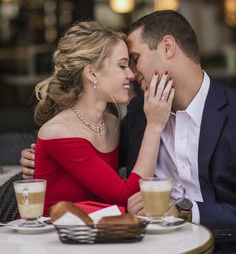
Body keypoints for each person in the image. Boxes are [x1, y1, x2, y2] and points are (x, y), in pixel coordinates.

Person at [20, 11, 236, 251]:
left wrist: (186, 210)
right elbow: (95, 161)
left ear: (167, 47)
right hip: (141, 245)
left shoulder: (232, 113)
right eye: (125, 64)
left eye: (134, 58)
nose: (132, 73)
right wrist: (39, 158)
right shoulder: (139, 113)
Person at [25, 20, 173, 216]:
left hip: (97, 236)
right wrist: (154, 126)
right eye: (122, 66)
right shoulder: (59, 131)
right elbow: (128, 197)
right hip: (50, 239)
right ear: (91, 73)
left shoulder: (111, 123)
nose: (131, 74)